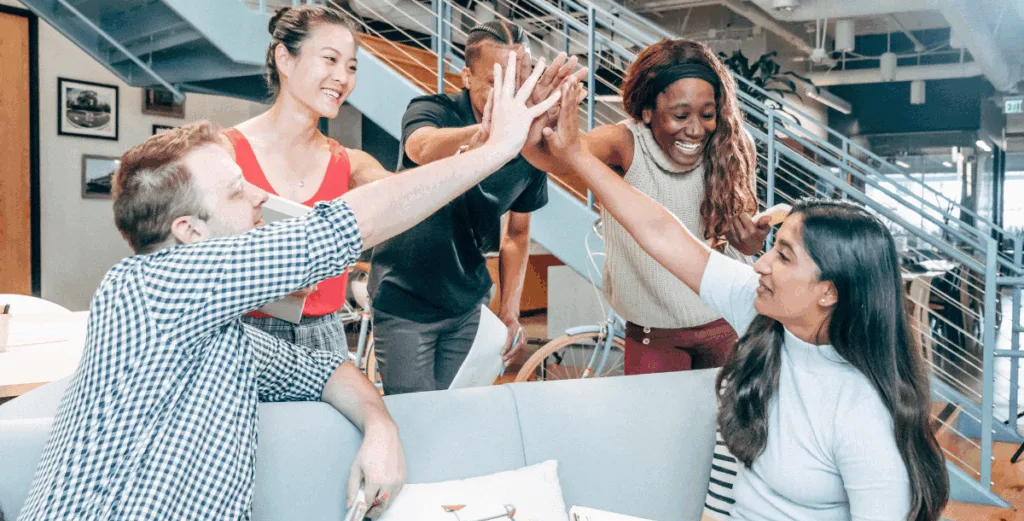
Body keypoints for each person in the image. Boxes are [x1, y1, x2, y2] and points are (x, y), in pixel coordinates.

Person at [12, 54, 561, 521]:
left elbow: (327, 372)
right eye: (235, 191)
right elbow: (338, 231)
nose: (258, 198)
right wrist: (496, 148)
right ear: (190, 233)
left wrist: (381, 425)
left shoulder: (218, 335)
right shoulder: (146, 288)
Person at [541, 81, 950, 521]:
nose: (761, 264)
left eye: (785, 256)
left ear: (829, 292)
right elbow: (660, 231)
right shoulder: (761, 317)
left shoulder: (864, 414)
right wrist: (575, 154)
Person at [366, 20, 587, 395]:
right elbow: (420, 146)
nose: (509, 95)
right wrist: (489, 136)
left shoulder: (530, 145)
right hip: (405, 300)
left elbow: (517, 233)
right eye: (495, 83)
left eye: (518, 83)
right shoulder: (433, 109)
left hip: (468, 304)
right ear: (466, 76)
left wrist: (510, 313)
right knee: (415, 418)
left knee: (460, 414)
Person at [523, 38, 766, 376]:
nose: (696, 129)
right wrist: (537, 123)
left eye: (707, 114)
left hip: (729, 324)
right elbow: (557, 157)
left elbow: (745, 245)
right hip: (655, 335)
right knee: (655, 428)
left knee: (727, 428)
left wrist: (751, 240)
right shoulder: (624, 142)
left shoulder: (732, 146)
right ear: (647, 111)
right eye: (680, 115)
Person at [222, 4, 392, 352]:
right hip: (243, 333)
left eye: (351, 66)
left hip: (326, 337)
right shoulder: (225, 153)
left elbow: (404, 195)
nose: (343, 77)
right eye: (330, 59)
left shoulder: (349, 162)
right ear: (284, 59)